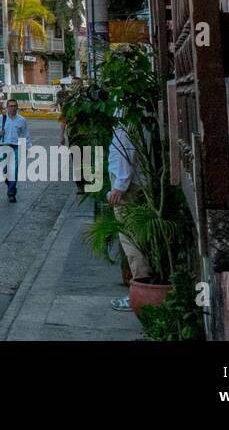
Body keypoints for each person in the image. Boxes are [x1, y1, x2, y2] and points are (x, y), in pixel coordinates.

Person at [108, 116, 147, 311]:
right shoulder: (128, 124)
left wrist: (119, 186)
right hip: (128, 185)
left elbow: (125, 156)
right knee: (132, 236)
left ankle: (140, 288)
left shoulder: (125, 127)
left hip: (126, 188)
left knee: (129, 238)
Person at [0, 99, 29, 202]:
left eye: (14, 106)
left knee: (14, 170)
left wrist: (27, 147)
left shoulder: (22, 120)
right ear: (7, 108)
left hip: (17, 147)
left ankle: (11, 193)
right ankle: (11, 185)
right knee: (4, 170)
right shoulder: (1, 118)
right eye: (10, 106)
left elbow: (25, 135)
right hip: (4, 146)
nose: (12, 108)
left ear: (17, 107)